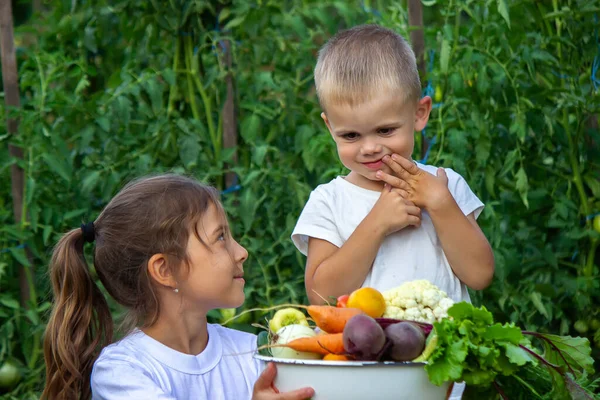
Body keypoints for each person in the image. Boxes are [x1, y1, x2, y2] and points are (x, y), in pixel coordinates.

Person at [42, 174, 314, 400]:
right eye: (220, 237)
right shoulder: (121, 372)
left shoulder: (251, 352)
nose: (242, 252)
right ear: (165, 270)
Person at [291, 23, 495, 325]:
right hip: (367, 365)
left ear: (419, 114)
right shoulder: (329, 201)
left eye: (385, 130)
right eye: (350, 136)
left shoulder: (444, 184)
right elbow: (322, 296)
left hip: (446, 362)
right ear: (329, 127)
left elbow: (480, 275)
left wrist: (440, 203)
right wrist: (378, 223)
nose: (370, 148)